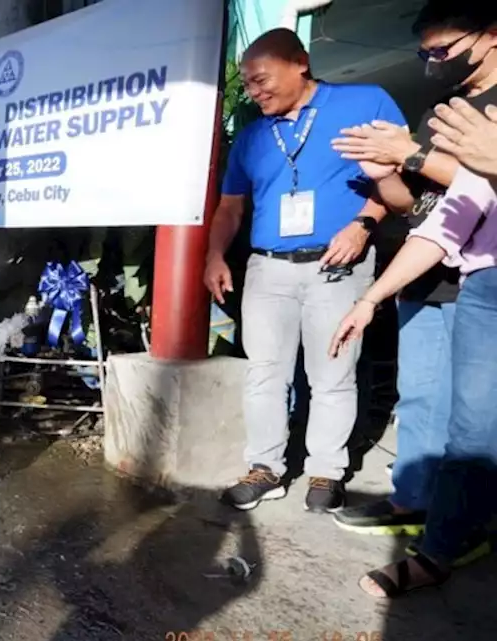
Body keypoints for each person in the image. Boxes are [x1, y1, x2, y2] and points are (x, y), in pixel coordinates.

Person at [202, 29, 404, 513]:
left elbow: (401, 177)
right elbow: (230, 207)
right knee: (265, 374)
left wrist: (363, 224)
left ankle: (325, 472)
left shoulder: (365, 102)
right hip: (268, 270)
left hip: (338, 264)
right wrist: (213, 255)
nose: (254, 92)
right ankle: (265, 468)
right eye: (248, 85)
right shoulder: (252, 135)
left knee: (333, 373)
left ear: (300, 64)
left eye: (261, 80)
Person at [328, 3, 497, 535]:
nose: (431, 63)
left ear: (489, 35)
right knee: (424, 398)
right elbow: (427, 206)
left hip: (470, 276)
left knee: (470, 420)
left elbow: (476, 180)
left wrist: (412, 155)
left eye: (441, 51)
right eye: (424, 54)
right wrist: (383, 172)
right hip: (427, 265)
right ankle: (419, 507)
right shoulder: (442, 111)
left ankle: (455, 524)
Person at [329, 160, 497, 597]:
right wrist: (370, 300)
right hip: (483, 282)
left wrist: (414, 155)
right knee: (471, 430)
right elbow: (443, 226)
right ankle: (439, 550)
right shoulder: (477, 139)